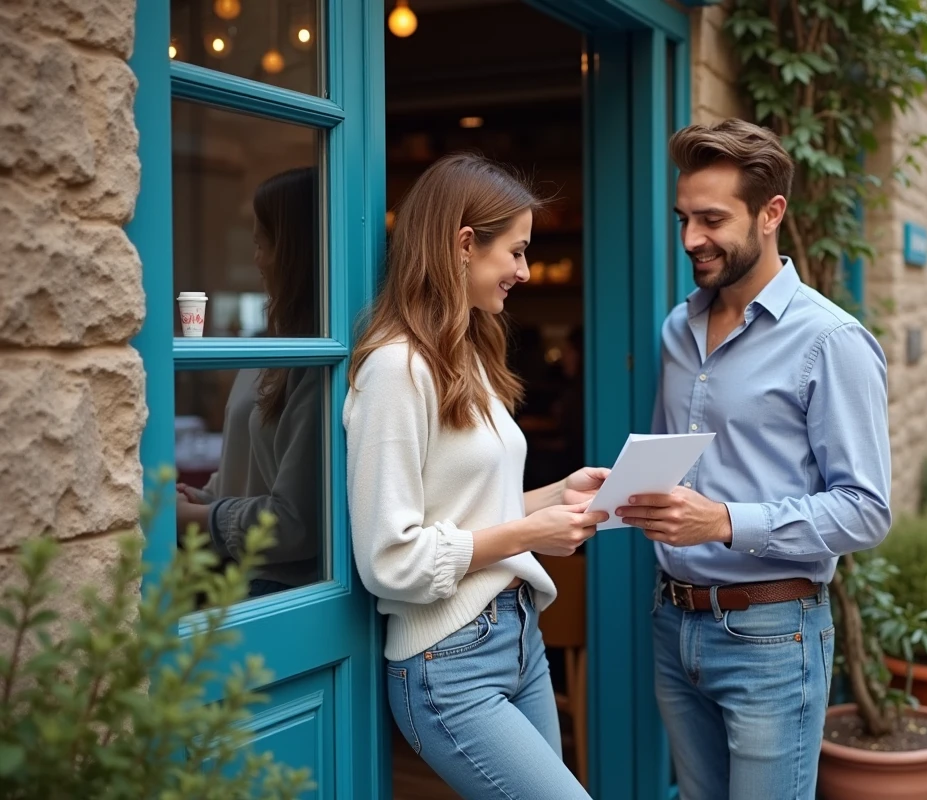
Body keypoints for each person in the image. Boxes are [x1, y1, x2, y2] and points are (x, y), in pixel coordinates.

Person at [615, 119, 893, 799]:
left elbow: (866, 511)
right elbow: (667, 463)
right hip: (674, 625)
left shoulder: (831, 341)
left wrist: (724, 523)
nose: (690, 240)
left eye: (712, 220)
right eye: (683, 218)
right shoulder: (677, 329)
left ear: (771, 214)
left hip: (772, 637)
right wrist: (618, 493)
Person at [344, 153, 608, 799]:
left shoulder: (468, 357)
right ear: (465, 244)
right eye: (515, 252)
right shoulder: (395, 370)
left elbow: (466, 507)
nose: (523, 270)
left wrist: (559, 493)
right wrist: (528, 534)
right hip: (448, 662)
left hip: (518, 638)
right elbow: (390, 556)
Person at [176, 167, 322, 597]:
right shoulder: (271, 346)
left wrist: (192, 519)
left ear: (295, 250)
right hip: (242, 579)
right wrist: (203, 498)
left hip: (281, 593)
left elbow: (297, 523)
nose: (256, 259)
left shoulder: (320, 362)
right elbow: (249, 470)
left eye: (262, 243)